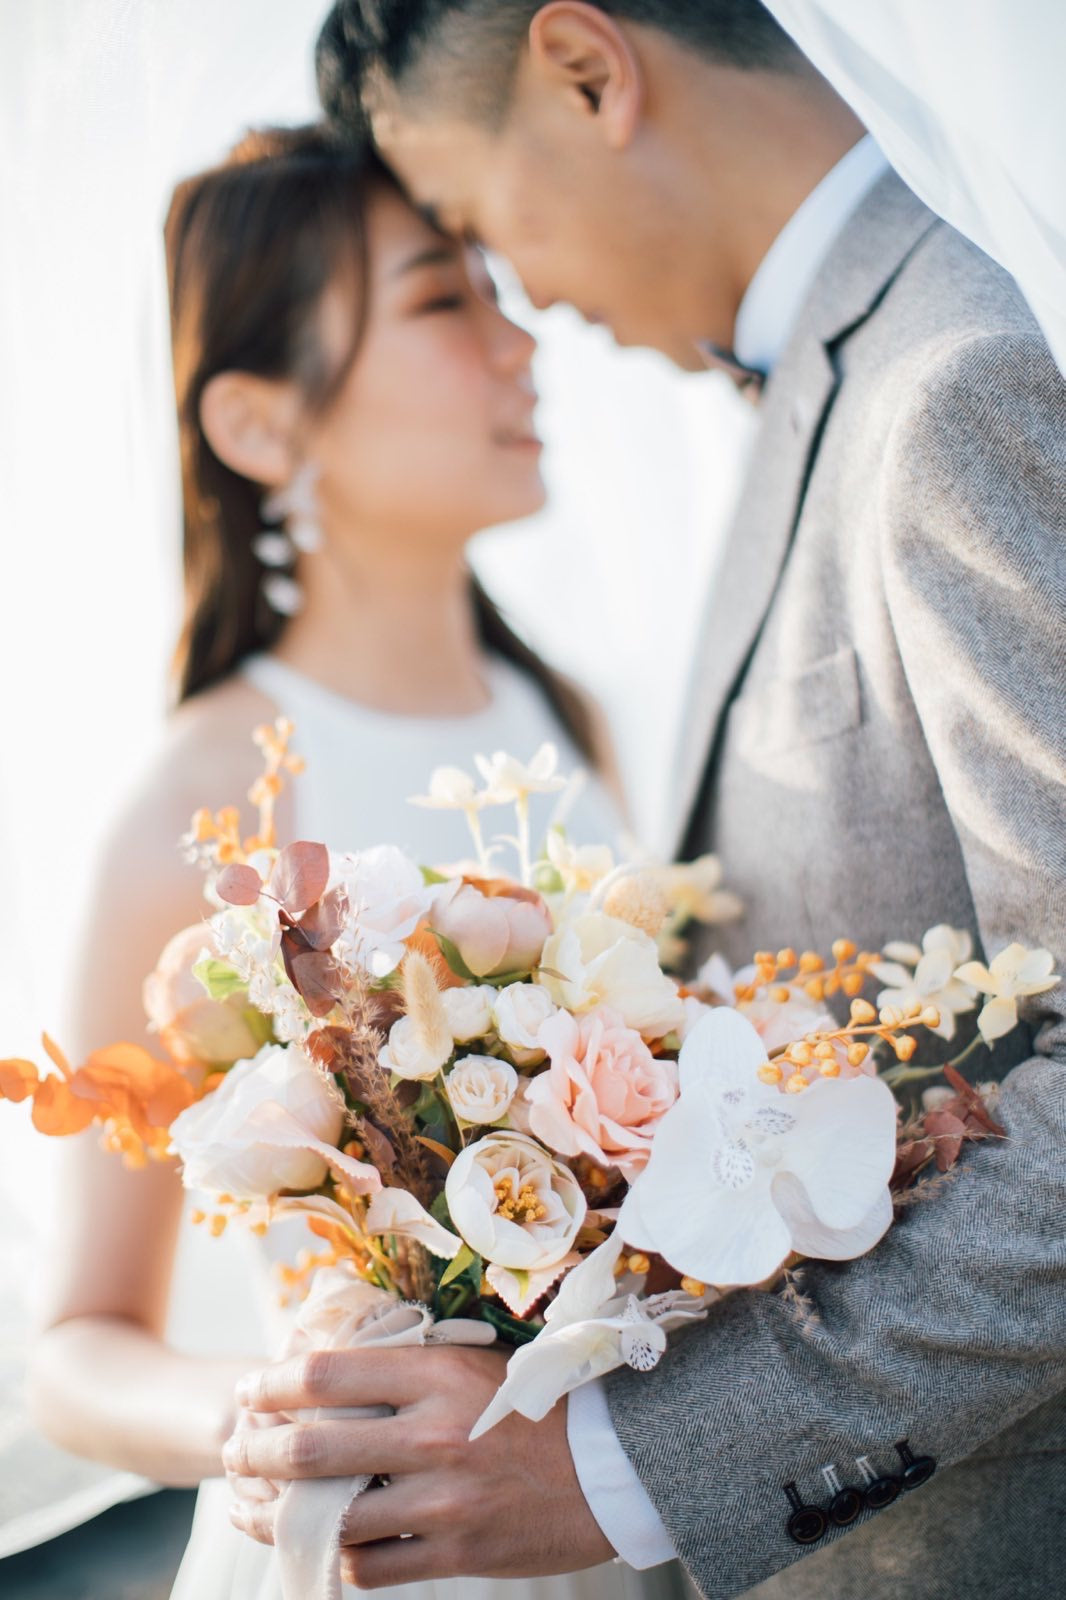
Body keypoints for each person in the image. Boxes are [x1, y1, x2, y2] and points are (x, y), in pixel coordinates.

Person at [220, 5, 1066, 1599]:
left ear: (589, 71)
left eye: (479, 225)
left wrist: (626, 1467)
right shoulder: (828, 386)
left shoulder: (959, 377)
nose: (523, 297)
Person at [27, 123, 665, 1600]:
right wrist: (275, 1427)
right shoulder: (204, 789)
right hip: (356, 1549)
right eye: (445, 301)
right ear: (259, 426)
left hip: (606, 1520)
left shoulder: (565, 724)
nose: (521, 342)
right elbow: (75, 1348)